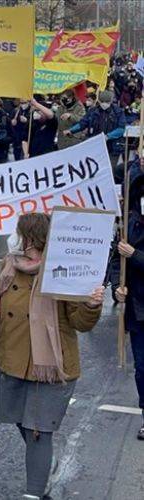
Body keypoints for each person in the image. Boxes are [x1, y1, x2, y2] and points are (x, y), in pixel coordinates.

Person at [0, 212, 103, 499]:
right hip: (11, 361)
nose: (15, 239)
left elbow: (81, 323)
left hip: (51, 368)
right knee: (23, 423)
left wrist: (92, 304)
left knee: (38, 431)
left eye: (20, 234)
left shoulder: (63, 269)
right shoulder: (9, 266)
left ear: (34, 240)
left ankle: (34, 491)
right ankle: (43, 463)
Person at [111, 162, 144, 441]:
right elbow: (114, 259)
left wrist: (135, 255)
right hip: (137, 306)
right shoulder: (128, 220)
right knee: (142, 368)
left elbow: (129, 254)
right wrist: (117, 288)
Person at [64, 90, 125, 180]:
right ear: (99, 101)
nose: (104, 104)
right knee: (94, 171)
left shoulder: (118, 112)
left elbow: (121, 128)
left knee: (109, 171)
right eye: (102, 102)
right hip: (95, 147)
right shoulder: (93, 111)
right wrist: (71, 130)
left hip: (112, 148)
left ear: (111, 101)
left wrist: (108, 136)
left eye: (107, 102)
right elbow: (83, 123)